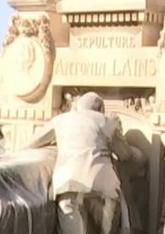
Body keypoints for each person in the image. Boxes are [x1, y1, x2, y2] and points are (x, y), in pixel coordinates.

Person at [26, 93, 141, 234]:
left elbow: (31, 143)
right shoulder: (106, 122)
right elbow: (125, 155)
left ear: (78, 107)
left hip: (68, 184)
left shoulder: (60, 120)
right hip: (103, 186)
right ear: (100, 108)